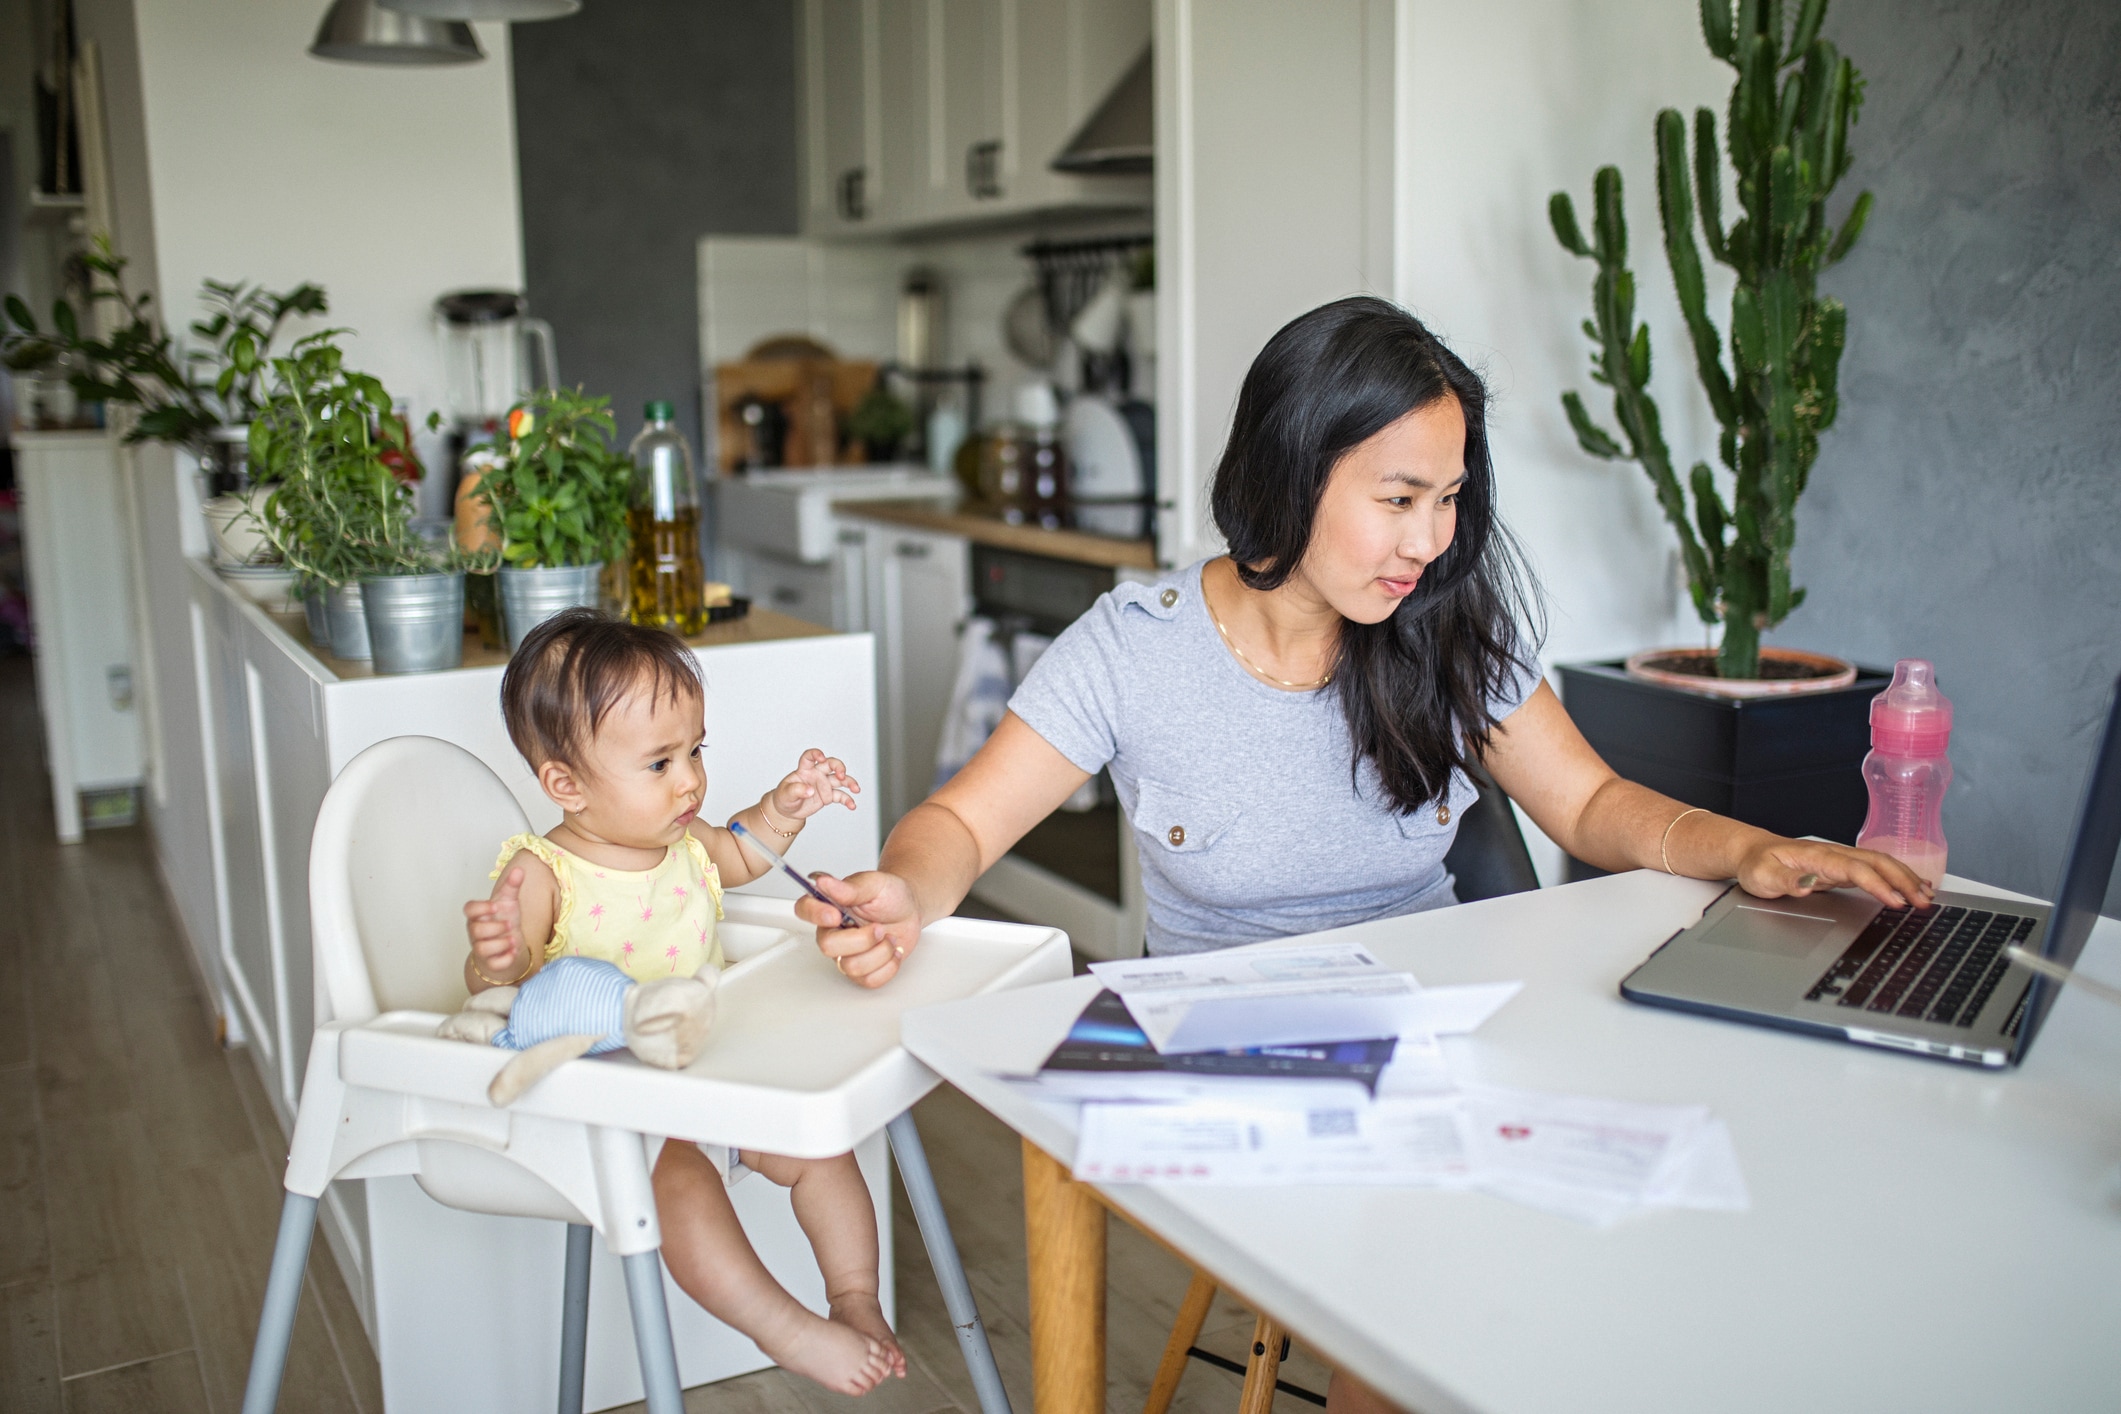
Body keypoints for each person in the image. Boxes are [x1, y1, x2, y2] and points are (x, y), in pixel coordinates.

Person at [795, 297, 1931, 1412]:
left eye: (1446, 500)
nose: (1430, 540)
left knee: (1614, 1222)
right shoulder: (1135, 651)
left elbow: (1588, 803)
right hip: (1225, 1048)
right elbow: (959, 825)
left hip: (1429, 1031)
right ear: (1292, 473)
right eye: (1398, 498)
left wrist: (1754, 850)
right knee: (1418, 1267)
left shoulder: (1441, 626)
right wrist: (905, 886)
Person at [460, 608, 903, 1396]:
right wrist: (496, 955)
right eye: (660, 763)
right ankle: (787, 1328)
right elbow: (511, 983)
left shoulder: (686, 846)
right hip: (607, 1106)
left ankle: (853, 1298)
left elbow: (745, 850)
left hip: (707, 1081)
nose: (692, 779)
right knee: (680, 1184)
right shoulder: (542, 873)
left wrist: (788, 805)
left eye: (696, 750)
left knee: (822, 1149)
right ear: (565, 783)